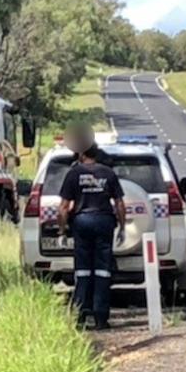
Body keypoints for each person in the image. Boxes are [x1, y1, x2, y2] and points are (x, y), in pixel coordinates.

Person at [58, 141, 126, 330]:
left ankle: (80, 315)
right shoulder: (108, 173)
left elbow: (63, 207)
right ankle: (101, 318)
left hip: (81, 222)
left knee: (82, 271)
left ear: (81, 154)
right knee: (103, 271)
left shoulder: (74, 173)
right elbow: (120, 203)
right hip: (104, 222)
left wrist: (62, 231)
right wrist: (122, 227)